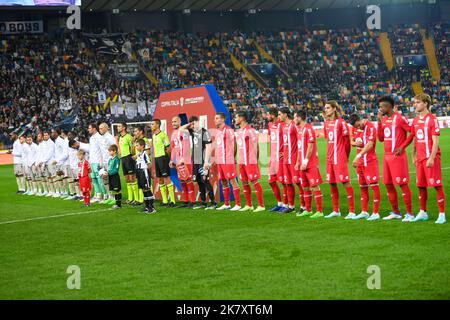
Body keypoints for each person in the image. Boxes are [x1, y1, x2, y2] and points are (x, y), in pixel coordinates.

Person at [404, 94, 446, 224]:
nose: (414, 105)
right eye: (414, 102)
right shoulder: (416, 120)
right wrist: (413, 154)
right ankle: (423, 212)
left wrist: (432, 158)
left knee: (437, 185)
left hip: (430, 158)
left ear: (425, 104)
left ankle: (442, 215)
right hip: (420, 159)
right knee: (421, 185)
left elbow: (435, 141)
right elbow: (416, 138)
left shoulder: (432, 119)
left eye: (417, 102)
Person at [377, 96, 414, 221]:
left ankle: (409, 213)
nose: (380, 108)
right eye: (380, 106)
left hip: (397, 156)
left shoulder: (399, 118)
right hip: (386, 156)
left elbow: (412, 132)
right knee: (388, 184)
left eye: (383, 106)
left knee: (402, 184)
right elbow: (381, 139)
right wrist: (379, 122)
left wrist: (403, 146)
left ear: (390, 106)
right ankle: (396, 212)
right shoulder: (384, 120)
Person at [321, 100, 355, 219]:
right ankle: (336, 210)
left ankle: (352, 211)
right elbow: (328, 141)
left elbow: (347, 142)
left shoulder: (341, 123)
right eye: (325, 108)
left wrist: (345, 156)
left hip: (339, 157)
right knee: (331, 183)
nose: (326, 110)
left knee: (345, 182)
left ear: (334, 109)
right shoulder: (326, 124)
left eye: (328, 107)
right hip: (329, 158)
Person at [348, 113, 381, 221]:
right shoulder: (354, 128)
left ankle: (376, 213)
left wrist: (358, 155)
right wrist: (356, 142)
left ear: (360, 119)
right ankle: (364, 211)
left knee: (374, 186)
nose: (358, 127)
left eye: (358, 125)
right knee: (362, 187)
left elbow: (370, 144)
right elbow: (351, 142)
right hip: (360, 163)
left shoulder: (370, 126)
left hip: (370, 161)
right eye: (356, 126)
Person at [181, 115, 217, 210]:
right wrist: (189, 124)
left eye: (194, 123)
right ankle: (203, 202)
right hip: (195, 161)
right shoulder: (192, 131)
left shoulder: (205, 132)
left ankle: (213, 202)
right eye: (191, 124)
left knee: (205, 180)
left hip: (202, 161)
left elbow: (209, 147)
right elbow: (180, 130)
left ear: (198, 122)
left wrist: (206, 162)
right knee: (199, 181)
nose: (192, 126)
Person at [294, 110, 324, 219]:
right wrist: (298, 162)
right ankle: (308, 209)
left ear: (299, 117)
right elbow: (300, 148)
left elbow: (310, 146)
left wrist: (306, 161)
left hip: (310, 163)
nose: (294, 120)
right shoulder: (300, 130)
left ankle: (320, 211)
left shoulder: (309, 128)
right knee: (305, 186)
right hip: (302, 164)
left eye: (295, 117)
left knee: (314, 186)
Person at [234, 111, 265, 212]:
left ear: (242, 118)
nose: (235, 119)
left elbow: (256, 146)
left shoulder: (250, 131)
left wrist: (255, 160)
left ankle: (261, 205)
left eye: (236, 117)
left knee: (255, 181)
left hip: (250, 161)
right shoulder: (238, 132)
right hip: (241, 161)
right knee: (244, 182)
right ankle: (249, 204)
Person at [213, 112, 241, 211]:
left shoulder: (228, 130)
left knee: (233, 181)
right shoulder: (217, 132)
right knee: (224, 182)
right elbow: (217, 146)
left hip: (228, 160)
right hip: (220, 161)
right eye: (215, 118)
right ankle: (227, 203)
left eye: (216, 118)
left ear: (222, 119)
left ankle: (238, 204)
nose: (215, 120)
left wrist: (232, 157)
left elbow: (234, 144)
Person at [169, 116, 196, 209]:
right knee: (182, 181)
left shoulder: (184, 132)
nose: (173, 123)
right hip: (178, 161)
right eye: (172, 122)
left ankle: (192, 201)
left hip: (185, 160)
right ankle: (185, 201)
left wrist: (183, 158)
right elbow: (173, 148)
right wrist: (172, 159)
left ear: (180, 122)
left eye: (175, 121)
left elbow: (186, 145)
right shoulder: (173, 134)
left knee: (188, 180)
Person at [150, 119, 176, 207]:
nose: (151, 126)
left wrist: (167, 158)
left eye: (153, 124)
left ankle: (172, 200)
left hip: (163, 158)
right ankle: (165, 200)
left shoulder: (163, 135)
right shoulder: (154, 136)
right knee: (160, 179)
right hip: (157, 159)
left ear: (157, 125)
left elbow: (168, 148)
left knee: (166, 178)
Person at [266, 108, 287, 212]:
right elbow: (271, 140)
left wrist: (285, 152)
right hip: (273, 158)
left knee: (283, 182)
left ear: (273, 115)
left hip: (281, 159)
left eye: (268, 114)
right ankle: (279, 203)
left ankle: (286, 204)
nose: (266, 116)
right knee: (271, 181)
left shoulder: (282, 125)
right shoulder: (270, 125)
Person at [278, 107, 299, 214]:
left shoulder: (293, 126)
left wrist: (299, 158)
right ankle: (291, 206)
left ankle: (304, 207)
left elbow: (300, 141)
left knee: (298, 183)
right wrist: (282, 152)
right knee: (288, 183)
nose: (278, 116)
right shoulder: (283, 127)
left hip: (294, 159)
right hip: (286, 159)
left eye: (280, 114)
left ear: (285, 115)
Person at [117, 122, 139, 205]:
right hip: (123, 158)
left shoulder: (129, 137)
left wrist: (133, 157)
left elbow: (133, 148)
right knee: (127, 179)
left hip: (129, 158)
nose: (117, 127)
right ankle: (130, 198)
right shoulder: (120, 137)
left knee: (132, 177)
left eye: (119, 126)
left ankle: (136, 198)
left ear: (124, 128)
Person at [88, 123, 108, 203]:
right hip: (92, 161)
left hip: (98, 162)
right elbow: (91, 151)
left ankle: (105, 195)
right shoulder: (91, 138)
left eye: (89, 128)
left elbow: (103, 150)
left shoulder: (99, 137)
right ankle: (98, 195)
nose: (88, 129)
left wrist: (102, 162)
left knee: (100, 179)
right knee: (94, 179)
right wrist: (89, 161)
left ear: (94, 129)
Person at [136, 139, 156, 214]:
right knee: (143, 190)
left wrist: (151, 174)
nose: (136, 147)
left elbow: (149, 164)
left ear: (142, 146)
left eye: (137, 145)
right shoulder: (139, 154)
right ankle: (147, 206)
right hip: (139, 173)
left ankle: (152, 207)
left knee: (147, 189)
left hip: (144, 173)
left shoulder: (145, 154)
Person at [99, 122, 118, 205]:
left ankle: (114, 197)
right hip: (104, 161)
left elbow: (115, 148)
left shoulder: (110, 137)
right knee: (105, 180)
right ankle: (110, 197)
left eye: (101, 128)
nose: (100, 130)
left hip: (109, 161)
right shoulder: (102, 138)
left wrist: (112, 160)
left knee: (111, 180)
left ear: (106, 128)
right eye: (99, 128)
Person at [132, 125, 150, 206]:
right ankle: (142, 200)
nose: (134, 133)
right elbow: (133, 152)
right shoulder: (137, 141)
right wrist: (133, 143)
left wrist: (138, 156)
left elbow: (147, 153)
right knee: (141, 184)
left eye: (136, 131)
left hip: (144, 167)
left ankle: (149, 203)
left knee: (146, 186)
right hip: (138, 165)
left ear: (141, 132)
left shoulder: (144, 140)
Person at [51, 128, 69, 198]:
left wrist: (58, 160)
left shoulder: (60, 141)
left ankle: (66, 192)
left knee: (63, 178)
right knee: (59, 178)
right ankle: (62, 191)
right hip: (58, 162)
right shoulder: (56, 141)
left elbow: (64, 152)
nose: (51, 134)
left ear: (56, 133)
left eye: (53, 132)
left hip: (61, 162)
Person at [103, 144, 122, 210]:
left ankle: (119, 204)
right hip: (111, 176)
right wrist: (105, 172)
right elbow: (109, 168)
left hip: (115, 177)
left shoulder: (116, 159)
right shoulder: (110, 159)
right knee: (114, 190)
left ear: (115, 151)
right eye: (109, 151)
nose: (109, 152)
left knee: (117, 190)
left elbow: (116, 170)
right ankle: (116, 203)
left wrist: (108, 173)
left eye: (110, 151)